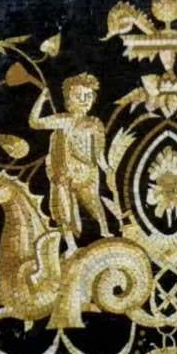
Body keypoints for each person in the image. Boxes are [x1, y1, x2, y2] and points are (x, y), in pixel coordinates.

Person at [29, 73, 111, 253]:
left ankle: (105, 233)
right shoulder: (63, 120)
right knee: (63, 210)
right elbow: (34, 122)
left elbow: (97, 152)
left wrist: (107, 169)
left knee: (94, 205)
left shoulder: (94, 124)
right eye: (78, 96)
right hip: (64, 175)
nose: (83, 100)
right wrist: (42, 98)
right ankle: (71, 245)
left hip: (88, 174)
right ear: (68, 99)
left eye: (88, 96)